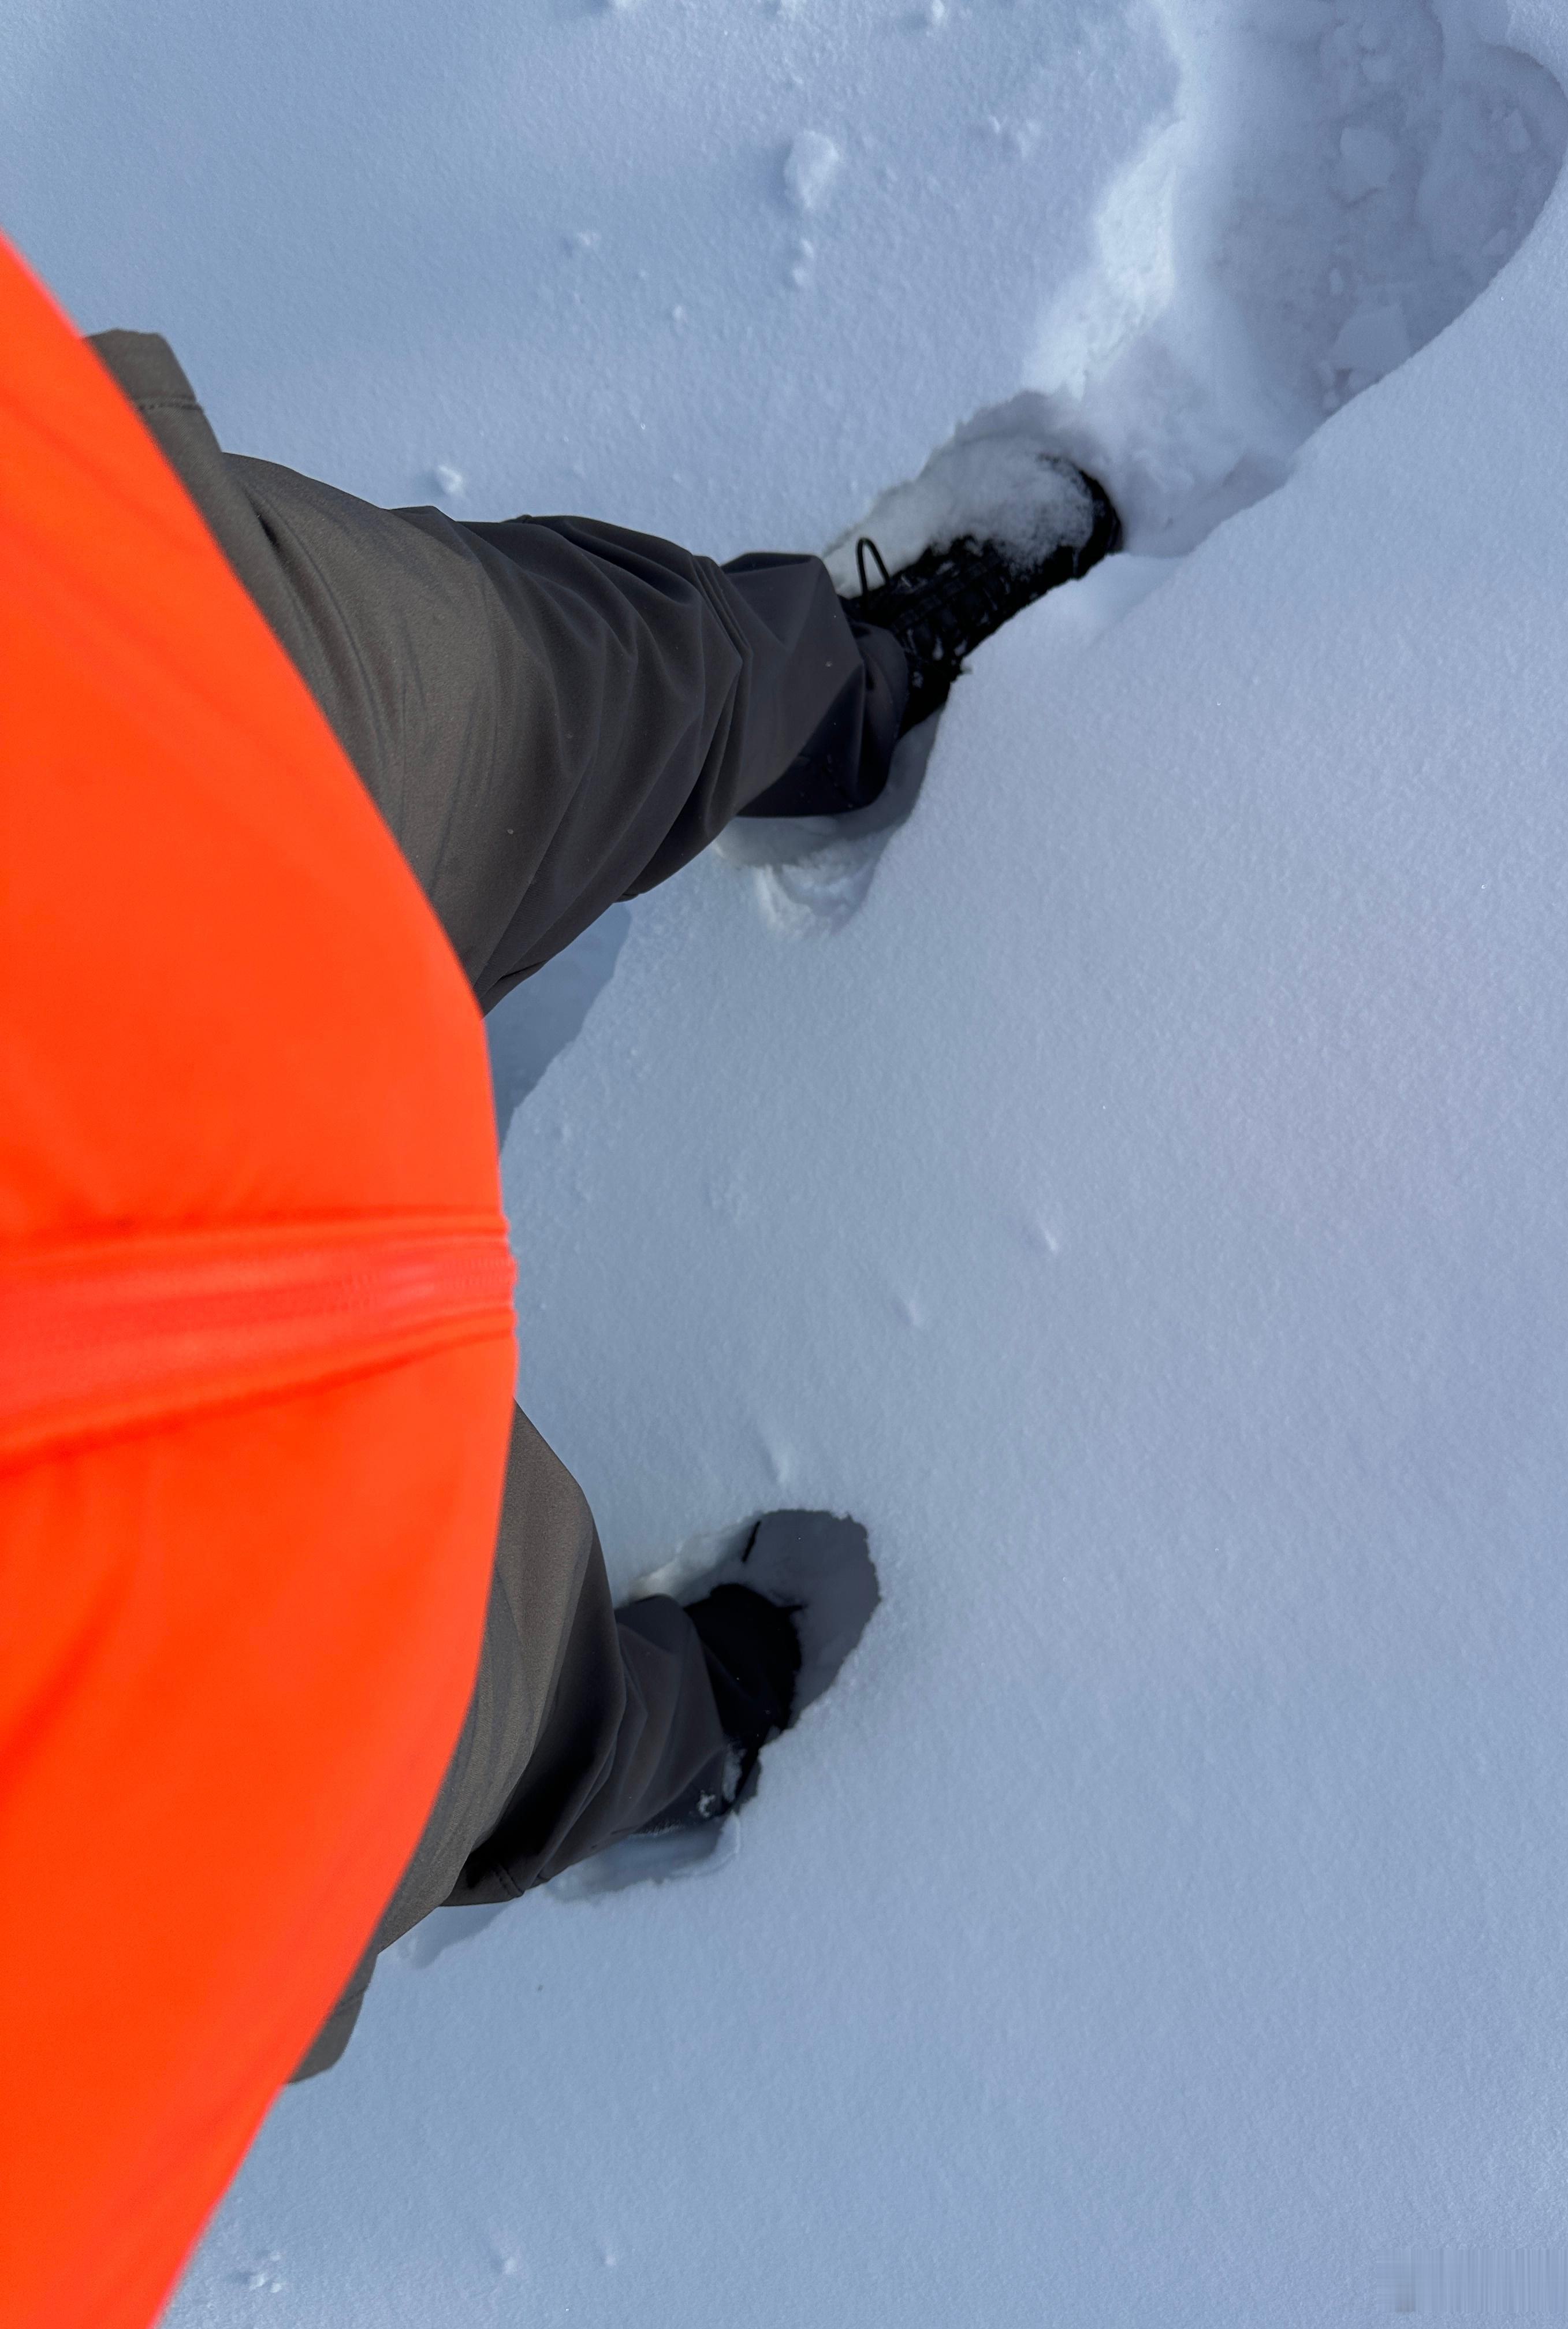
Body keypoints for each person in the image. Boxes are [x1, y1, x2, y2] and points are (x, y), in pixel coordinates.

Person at [73, 326, 1122, 2079]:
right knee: (470, 1724)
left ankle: (837, 694)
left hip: (83, 737)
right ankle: (679, 1724)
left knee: (542, 694)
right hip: (94, 1743)